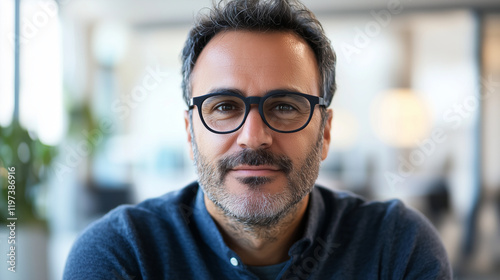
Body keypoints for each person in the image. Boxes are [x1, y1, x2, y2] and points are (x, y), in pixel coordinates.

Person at [64, 0, 452, 279]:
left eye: (284, 106)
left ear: (326, 132)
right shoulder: (122, 254)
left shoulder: (397, 248)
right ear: (189, 132)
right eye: (224, 107)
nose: (253, 137)